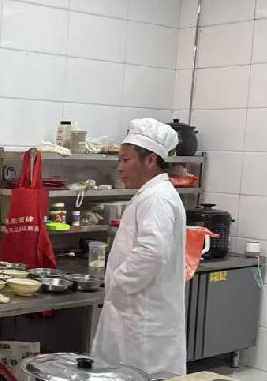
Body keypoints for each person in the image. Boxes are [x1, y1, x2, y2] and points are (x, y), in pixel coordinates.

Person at [92, 118, 186, 379]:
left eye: (126, 160)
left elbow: (152, 252)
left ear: (151, 160)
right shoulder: (150, 194)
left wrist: (119, 282)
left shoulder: (158, 198)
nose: (120, 168)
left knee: (139, 374)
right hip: (137, 316)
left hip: (144, 324)